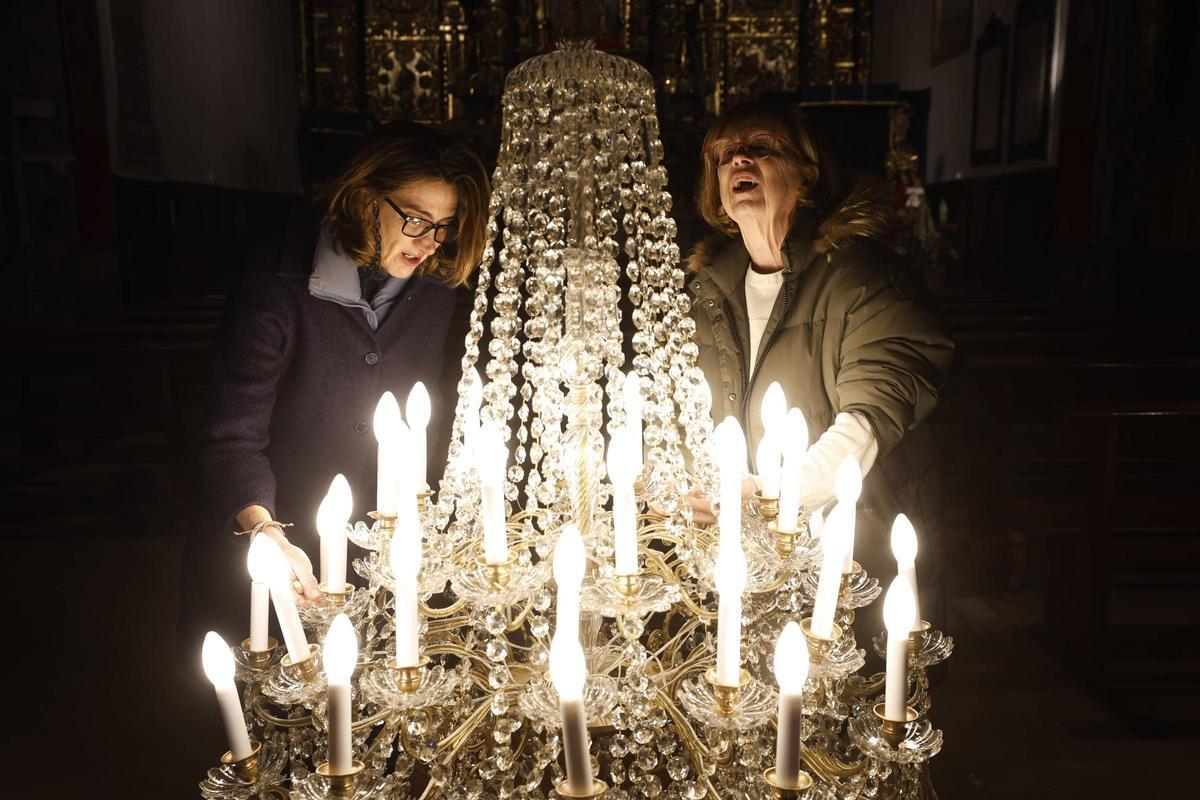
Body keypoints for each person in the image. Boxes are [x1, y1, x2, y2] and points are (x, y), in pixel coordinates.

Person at [183, 122, 489, 647]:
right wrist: (265, 531)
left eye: (445, 225)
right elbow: (232, 436)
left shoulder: (436, 292)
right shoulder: (277, 284)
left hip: (387, 560)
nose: (430, 242)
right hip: (281, 548)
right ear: (365, 200)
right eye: (416, 220)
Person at [684, 100, 954, 624]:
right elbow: (678, 411)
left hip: (855, 552)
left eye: (759, 147)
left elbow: (867, 424)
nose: (738, 161)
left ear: (807, 173)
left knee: (846, 697)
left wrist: (766, 499)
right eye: (724, 155)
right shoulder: (705, 291)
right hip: (738, 561)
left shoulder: (865, 277)